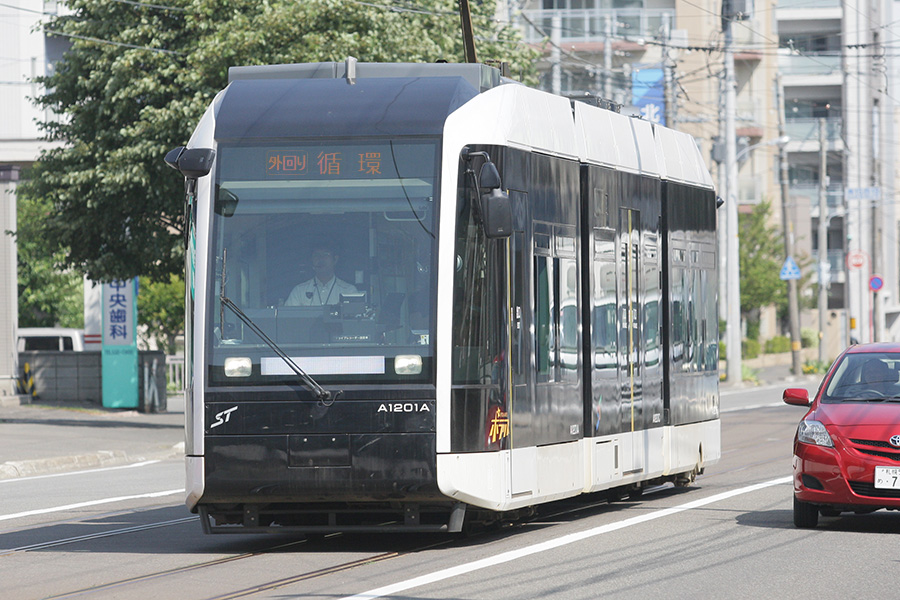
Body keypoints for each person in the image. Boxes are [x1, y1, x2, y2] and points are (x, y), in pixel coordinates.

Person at [285, 246, 358, 306]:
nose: (321, 259)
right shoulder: (299, 291)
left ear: (335, 259)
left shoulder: (349, 291)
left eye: (326, 255)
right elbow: (287, 320)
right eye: (316, 256)